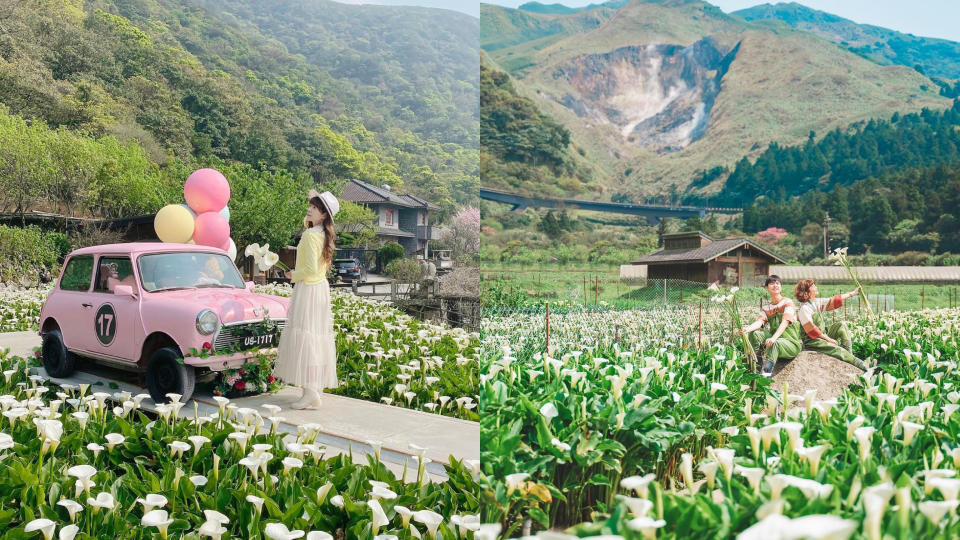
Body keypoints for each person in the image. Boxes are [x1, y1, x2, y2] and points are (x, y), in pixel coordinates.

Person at [275, 189, 340, 409]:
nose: (309, 209)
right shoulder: (322, 234)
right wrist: (297, 273)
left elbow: (310, 269)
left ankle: (310, 391)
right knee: (312, 337)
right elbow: (318, 268)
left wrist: (294, 274)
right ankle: (311, 391)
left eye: (314, 207)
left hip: (309, 289)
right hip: (318, 289)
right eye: (310, 206)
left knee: (307, 337)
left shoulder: (312, 235)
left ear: (323, 215)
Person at [794, 279, 869, 370]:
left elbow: (833, 300)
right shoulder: (804, 309)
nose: (816, 287)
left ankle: (849, 354)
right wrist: (829, 339)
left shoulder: (815, 302)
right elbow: (811, 330)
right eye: (813, 286)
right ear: (806, 293)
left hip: (822, 335)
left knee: (841, 325)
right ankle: (864, 365)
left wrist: (853, 293)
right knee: (837, 349)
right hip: (813, 341)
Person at [737, 275, 803, 378]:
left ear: (781, 287)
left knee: (775, 343)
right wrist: (747, 329)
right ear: (767, 288)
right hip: (775, 339)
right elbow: (759, 322)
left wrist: (773, 338)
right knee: (754, 333)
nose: (775, 285)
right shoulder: (766, 307)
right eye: (772, 283)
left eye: (777, 283)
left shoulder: (788, 302)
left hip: (791, 343)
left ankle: (765, 375)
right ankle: (755, 366)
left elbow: (785, 322)